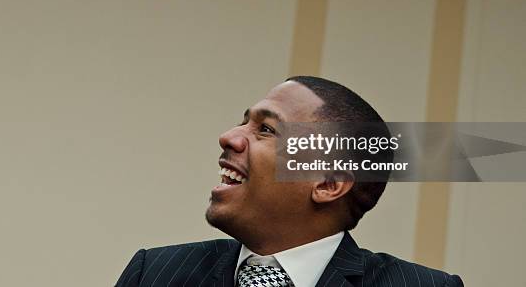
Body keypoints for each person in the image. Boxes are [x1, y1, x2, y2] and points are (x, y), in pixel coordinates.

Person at [115, 76, 463, 286]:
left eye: (266, 129)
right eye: (243, 122)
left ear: (328, 184)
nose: (229, 137)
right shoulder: (154, 273)